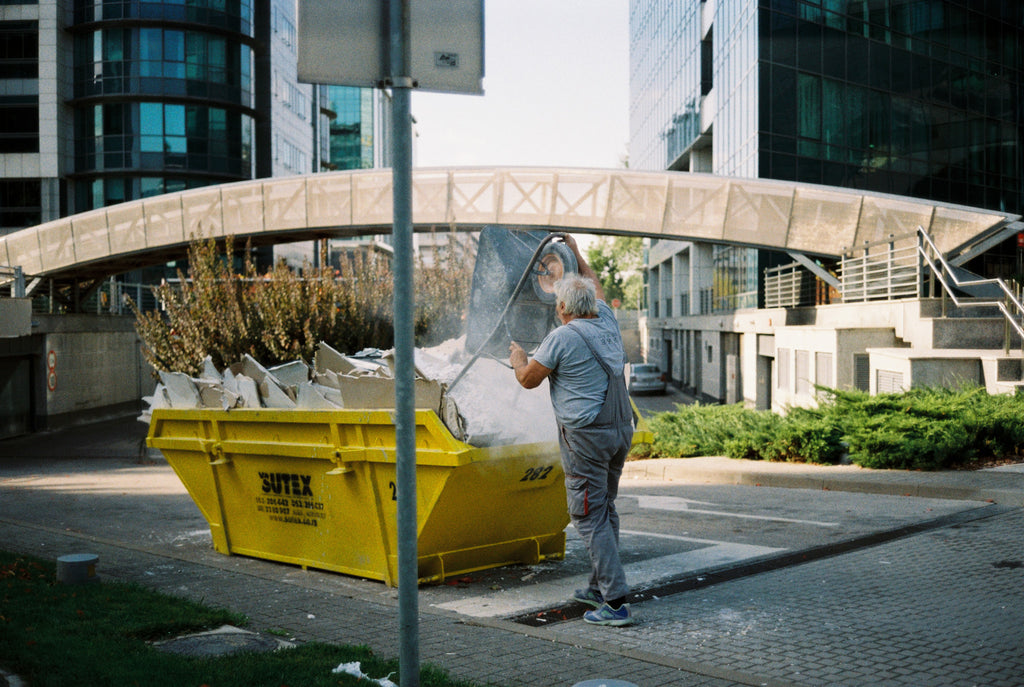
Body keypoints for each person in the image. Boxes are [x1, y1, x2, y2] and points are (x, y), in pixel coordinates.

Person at [509, 234, 635, 627]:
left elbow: (529, 380)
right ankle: (598, 587)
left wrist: (517, 359)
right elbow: (595, 285)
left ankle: (615, 603)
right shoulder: (607, 318)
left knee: (588, 516)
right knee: (605, 509)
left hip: (586, 438)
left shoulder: (562, 338)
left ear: (562, 307)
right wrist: (577, 253)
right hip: (619, 430)